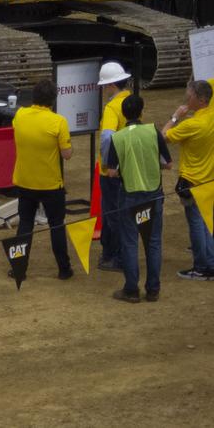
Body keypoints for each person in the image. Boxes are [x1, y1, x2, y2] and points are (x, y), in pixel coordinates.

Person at [103, 94, 171, 302]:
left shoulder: (118, 138)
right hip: (153, 193)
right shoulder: (153, 131)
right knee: (153, 242)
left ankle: (131, 289)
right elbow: (168, 163)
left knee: (130, 242)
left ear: (123, 115)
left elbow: (111, 172)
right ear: (141, 112)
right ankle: (153, 289)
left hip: (130, 195)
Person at [11, 79, 74, 280]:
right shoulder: (59, 122)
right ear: (53, 100)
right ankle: (64, 269)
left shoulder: (20, 115)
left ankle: (19, 268)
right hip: (50, 184)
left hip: (25, 181)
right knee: (56, 225)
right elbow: (67, 154)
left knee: (25, 224)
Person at [160, 78, 214, 280]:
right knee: (207, 222)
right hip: (208, 179)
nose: (186, 99)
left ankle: (202, 266)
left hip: (192, 181)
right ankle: (210, 263)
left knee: (196, 224)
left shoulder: (192, 124)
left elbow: (162, 137)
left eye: (189, 96)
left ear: (200, 100)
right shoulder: (211, 116)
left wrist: (175, 117)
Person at [96, 61, 132, 272]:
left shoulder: (111, 108)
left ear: (111, 85)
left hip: (112, 170)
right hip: (127, 166)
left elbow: (107, 138)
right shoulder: (131, 101)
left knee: (112, 214)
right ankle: (110, 252)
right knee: (118, 212)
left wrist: (108, 163)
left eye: (104, 86)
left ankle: (117, 257)